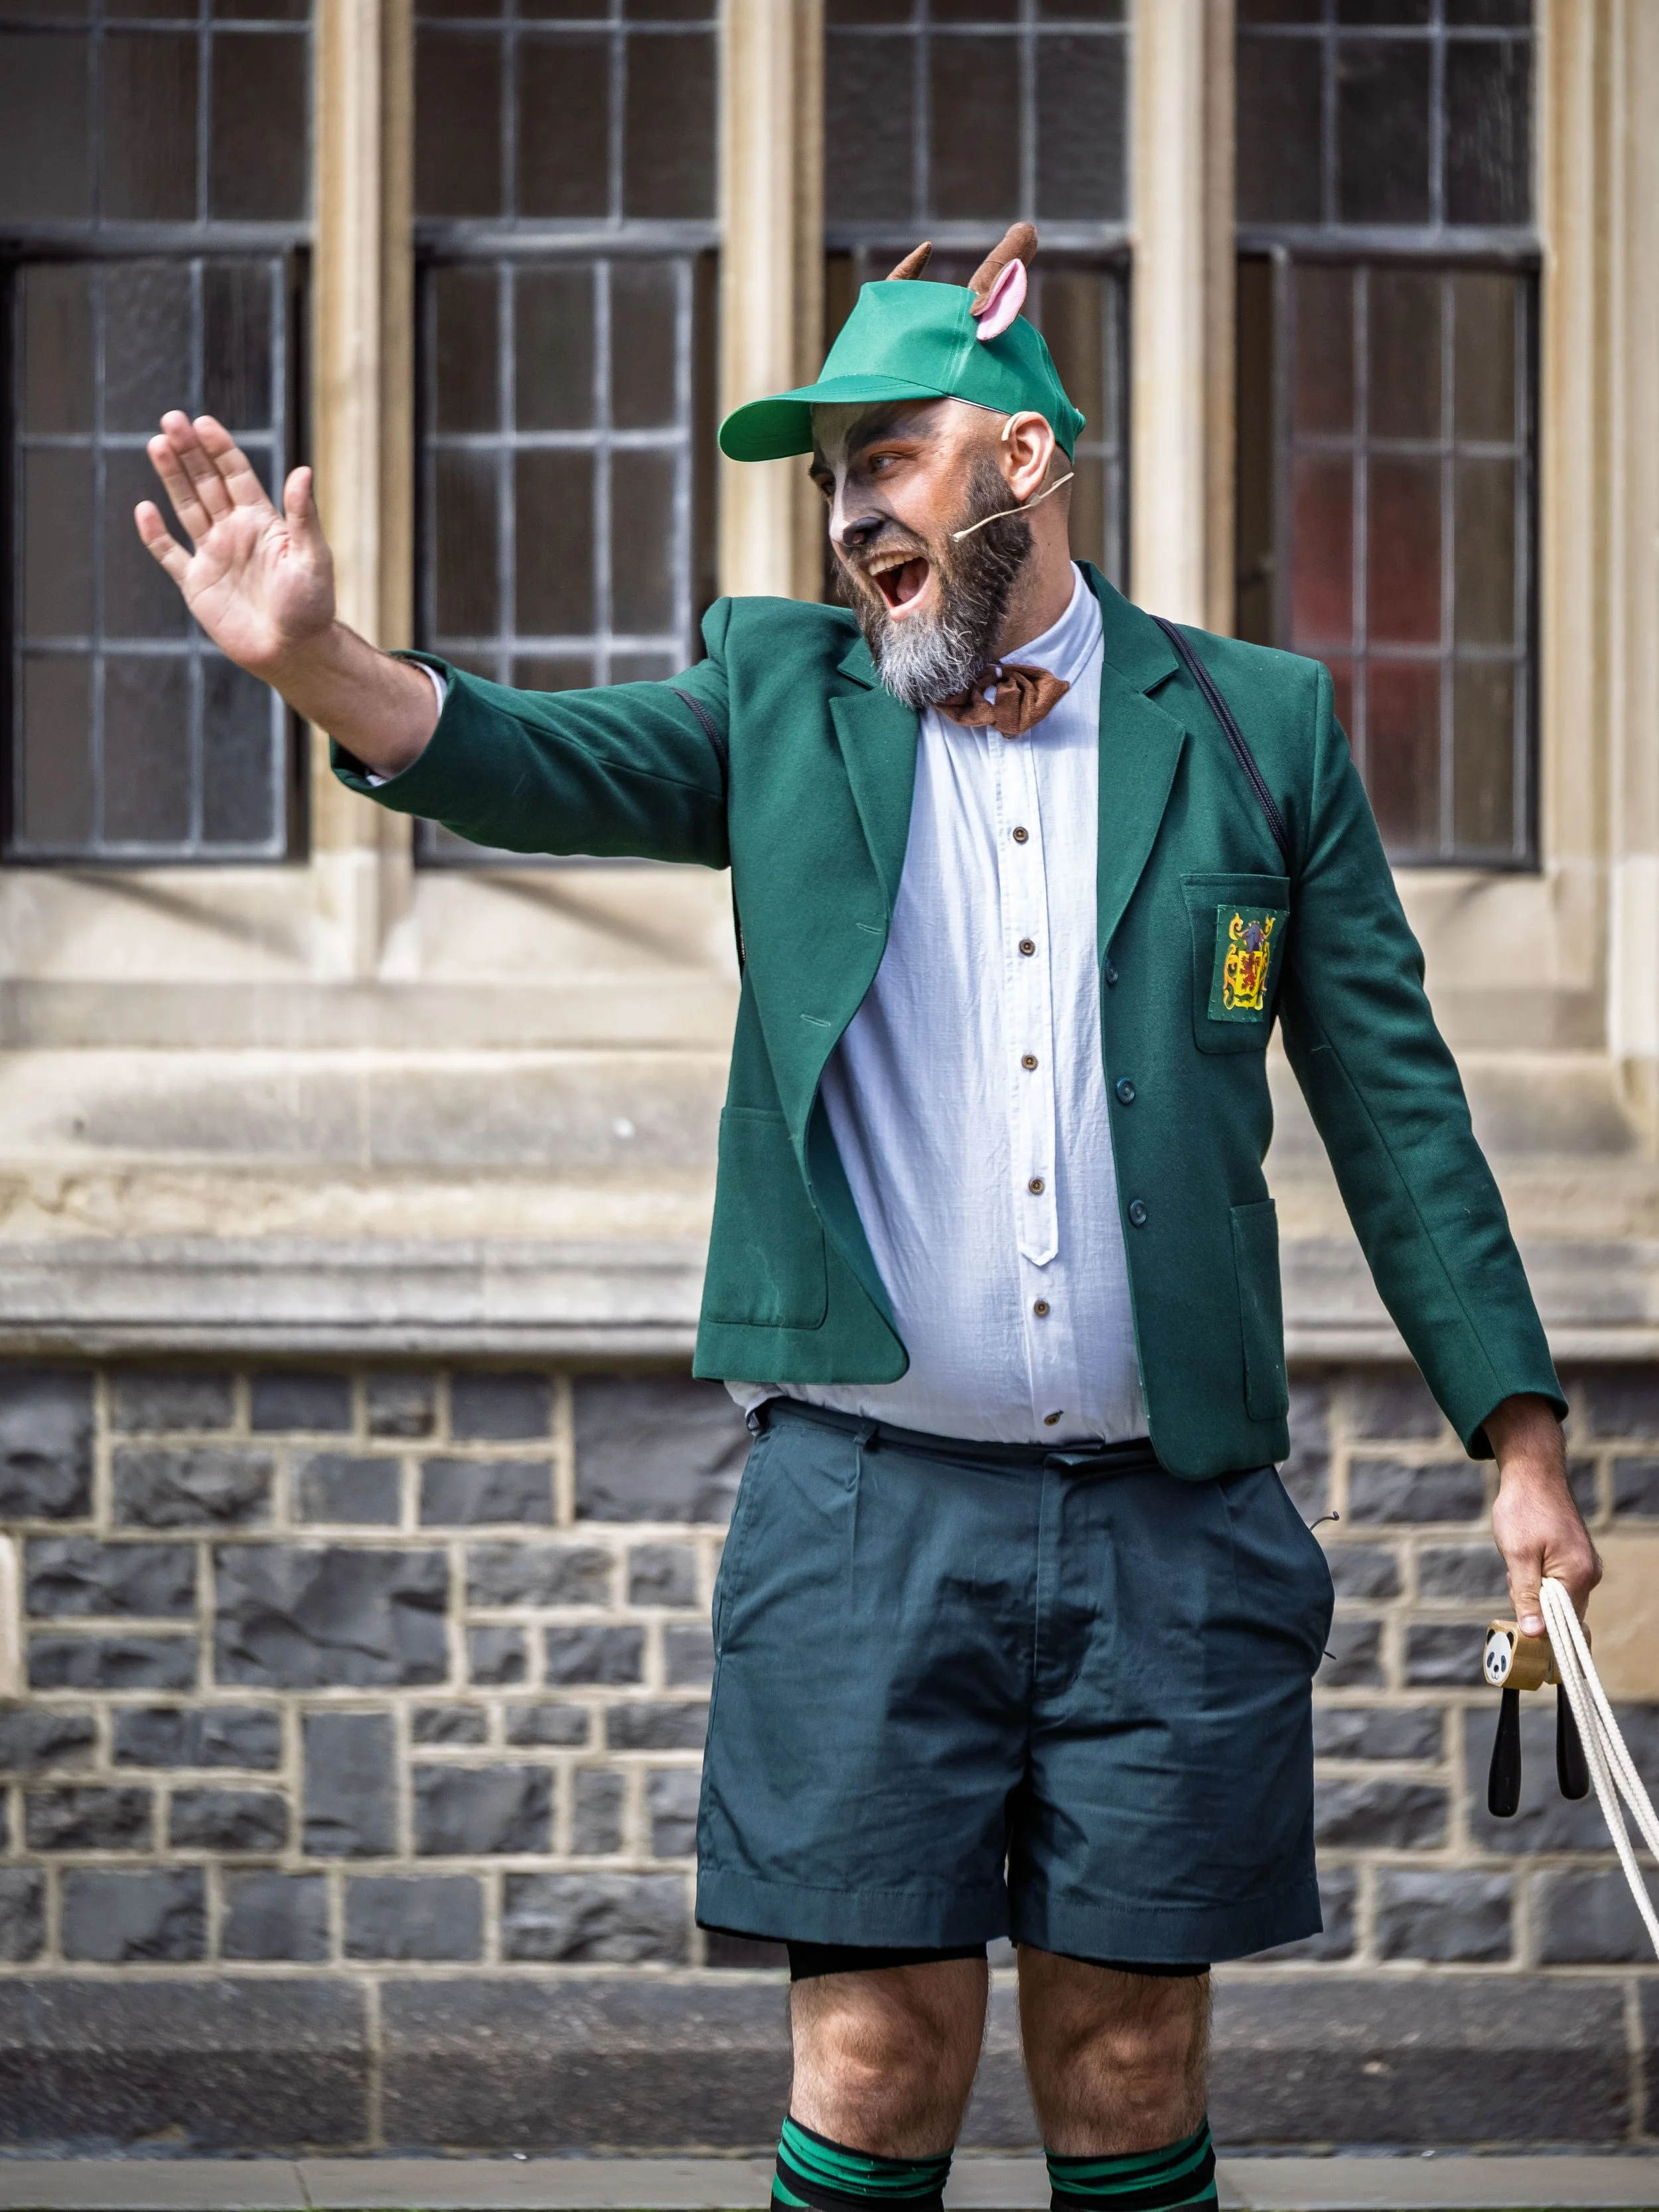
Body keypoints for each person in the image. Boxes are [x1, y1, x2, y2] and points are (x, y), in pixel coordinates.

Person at [135, 222, 1598, 2212]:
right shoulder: (783, 699)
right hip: (862, 1510)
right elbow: (516, 759)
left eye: (884, 460)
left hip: (1174, 1517)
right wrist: (314, 653)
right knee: (875, 2046)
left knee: (1129, 2049)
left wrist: (1516, 1437)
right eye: (827, 480)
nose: (846, 518)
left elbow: (1394, 1097)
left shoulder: (1255, 726)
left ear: (1018, 456)